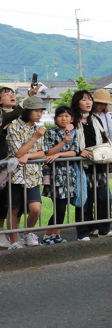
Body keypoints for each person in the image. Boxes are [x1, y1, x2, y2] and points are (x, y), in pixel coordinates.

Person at [71, 90, 112, 241]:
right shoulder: (72, 121)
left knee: (105, 198)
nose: (88, 102)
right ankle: (83, 233)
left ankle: (104, 229)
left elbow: (105, 138)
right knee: (84, 201)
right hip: (82, 167)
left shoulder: (95, 119)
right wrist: (78, 152)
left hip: (99, 164)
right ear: (77, 102)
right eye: (84, 99)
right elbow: (68, 142)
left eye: (89, 99)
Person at [0, 85, 41, 248]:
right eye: (6, 94)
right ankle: (7, 236)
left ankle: (17, 235)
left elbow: (41, 151)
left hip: (22, 169)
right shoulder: (11, 120)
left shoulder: (30, 125)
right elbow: (15, 114)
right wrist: (28, 98)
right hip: (8, 164)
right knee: (7, 203)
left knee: (21, 206)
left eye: (12, 93)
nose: (11, 96)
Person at [40, 106, 79, 244]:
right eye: (61, 116)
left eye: (67, 116)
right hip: (55, 174)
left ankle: (57, 234)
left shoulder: (73, 132)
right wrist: (63, 143)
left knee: (64, 207)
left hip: (69, 174)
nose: (64, 118)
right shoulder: (50, 132)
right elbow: (48, 152)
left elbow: (74, 152)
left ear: (72, 119)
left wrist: (60, 154)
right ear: (55, 118)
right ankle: (46, 235)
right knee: (59, 208)